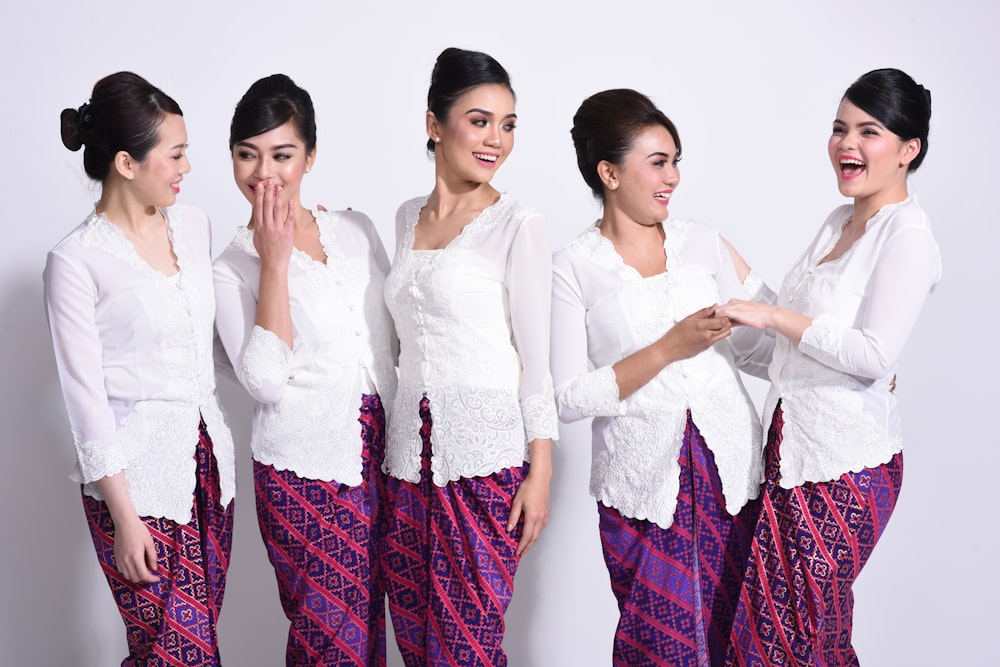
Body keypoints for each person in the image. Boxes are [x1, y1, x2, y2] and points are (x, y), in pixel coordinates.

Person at [718, 68, 942, 667]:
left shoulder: (907, 233)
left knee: (781, 643)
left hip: (847, 468)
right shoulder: (835, 225)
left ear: (908, 149)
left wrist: (769, 314)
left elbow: (873, 354)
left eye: (869, 132)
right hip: (790, 457)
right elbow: (786, 356)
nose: (847, 144)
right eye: (840, 129)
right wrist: (729, 284)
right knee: (813, 640)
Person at [551, 89, 775, 667]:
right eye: (658, 162)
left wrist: (845, 370)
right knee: (658, 648)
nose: (673, 176)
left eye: (676, 160)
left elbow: (762, 344)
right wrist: (668, 348)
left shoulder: (704, 242)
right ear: (609, 172)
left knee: (741, 639)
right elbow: (569, 397)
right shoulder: (571, 266)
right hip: (642, 486)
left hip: (732, 474)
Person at [44, 71, 236, 666]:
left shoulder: (195, 224)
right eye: (175, 154)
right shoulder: (74, 262)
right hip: (137, 487)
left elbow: (209, 344)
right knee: (179, 657)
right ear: (127, 163)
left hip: (210, 470)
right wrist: (125, 521)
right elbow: (85, 402)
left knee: (177, 651)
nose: (185, 167)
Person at [380, 47, 558, 667]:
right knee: (416, 641)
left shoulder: (519, 223)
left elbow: (538, 360)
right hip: (406, 462)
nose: (497, 140)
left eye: (508, 125)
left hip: (485, 463)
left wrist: (540, 473)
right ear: (435, 124)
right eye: (480, 120)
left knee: (467, 648)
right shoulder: (405, 218)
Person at [213, 74, 397, 667]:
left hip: (386, 456)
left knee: (372, 635)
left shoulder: (357, 228)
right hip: (304, 469)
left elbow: (392, 340)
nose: (264, 172)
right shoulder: (230, 268)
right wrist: (274, 261)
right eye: (248, 154)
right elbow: (264, 381)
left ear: (310, 156)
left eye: (282, 154)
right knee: (329, 646)